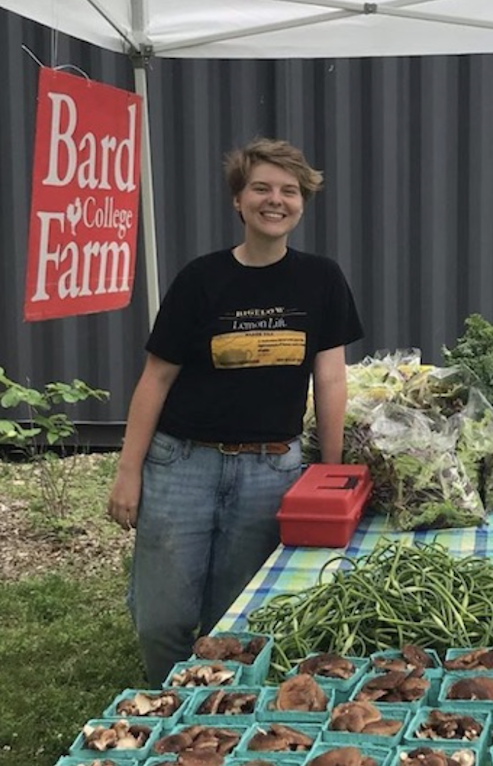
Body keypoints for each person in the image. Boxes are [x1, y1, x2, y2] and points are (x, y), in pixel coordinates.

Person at [106, 137, 364, 685]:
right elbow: (156, 377)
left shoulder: (321, 278)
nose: (276, 200)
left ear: (303, 201)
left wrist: (331, 472)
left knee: (237, 617)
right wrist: (128, 472)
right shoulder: (201, 279)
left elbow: (331, 378)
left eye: (289, 191)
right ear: (238, 201)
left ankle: (219, 719)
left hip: (270, 471)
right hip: (182, 467)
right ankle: (164, 707)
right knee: (162, 618)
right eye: (261, 188)